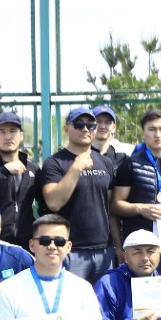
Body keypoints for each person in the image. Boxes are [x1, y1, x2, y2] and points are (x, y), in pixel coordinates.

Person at [38, 106, 117, 283]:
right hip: (71, 250)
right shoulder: (54, 163)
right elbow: (54, 202)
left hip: (104, 249)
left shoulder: (105, 163)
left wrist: (117, 247)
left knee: (104, 299)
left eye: (90, 125)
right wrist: (76, 167)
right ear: (66, 129)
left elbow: (110, 208)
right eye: (79, 124)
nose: (85, 129)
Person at [111, 108, 161, 242]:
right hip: (140, 238)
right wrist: (140, 209)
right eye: (152, 129)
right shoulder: (130, 164)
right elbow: (115, 205)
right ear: (143, 132)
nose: (158, 134)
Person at [0, 109, 40, 247]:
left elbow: (45, 203)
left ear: (21, 136)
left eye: (12, 131)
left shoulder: (32, 168)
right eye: (2, 132)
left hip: (26, 243)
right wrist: (4, 172)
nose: (8, 137)